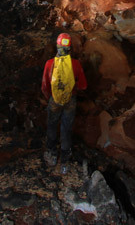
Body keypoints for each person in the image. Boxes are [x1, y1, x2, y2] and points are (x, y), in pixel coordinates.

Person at [41, 33, 87, 168]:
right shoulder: (76, 64)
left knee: (51, 125)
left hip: (54, 100)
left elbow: (45, 86)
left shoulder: (49, 64)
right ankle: (65, 161)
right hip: (70, 100)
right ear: (70, 48)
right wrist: (73, 90)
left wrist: (51, 97)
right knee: (66, 128)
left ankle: (52, 154)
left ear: (57, 46)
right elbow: (83, 85)